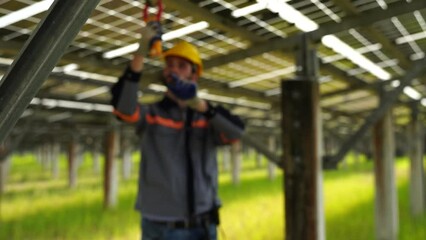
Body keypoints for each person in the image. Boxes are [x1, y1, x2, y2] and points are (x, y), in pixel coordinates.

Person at [110, 21, 245, 240]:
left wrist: (199, 105)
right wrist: (141, 52)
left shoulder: (207, 117)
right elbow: (123, 108)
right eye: (169, 64)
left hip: (205, 223)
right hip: (163, 227)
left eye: (181, 66)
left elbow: (236, 133)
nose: (173, 69)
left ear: (194, 75)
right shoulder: (153, 114)